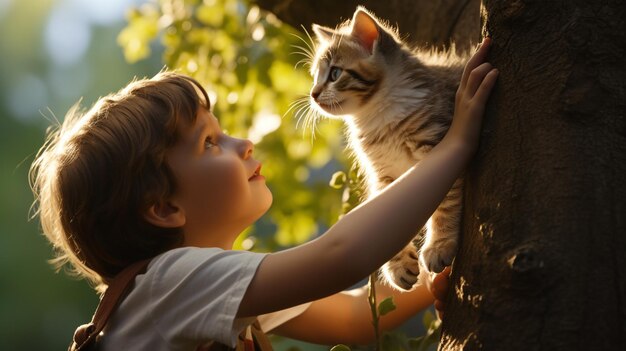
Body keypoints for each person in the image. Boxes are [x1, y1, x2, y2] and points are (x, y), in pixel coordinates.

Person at [30, 38, 498, 350]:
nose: (244, 143)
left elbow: (355, 318)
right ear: (165, 208)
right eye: (210, 143)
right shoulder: (171, 281)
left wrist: (438, 271)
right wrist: (454, 146)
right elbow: (341, 255)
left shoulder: (203, 291)